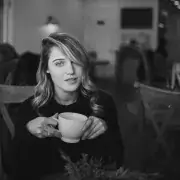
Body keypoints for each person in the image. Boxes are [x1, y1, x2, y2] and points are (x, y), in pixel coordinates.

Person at [8, 33, 123, 180]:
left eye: (75, 61)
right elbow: (13, 169)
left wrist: (105, 131)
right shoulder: (30, 108)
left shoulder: (103, 102)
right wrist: (28, 132)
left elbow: (118, 160)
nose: (71, 71)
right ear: (46, 69)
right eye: (59, 63)